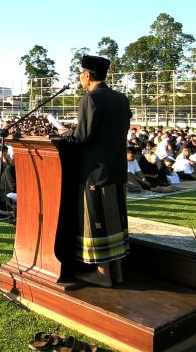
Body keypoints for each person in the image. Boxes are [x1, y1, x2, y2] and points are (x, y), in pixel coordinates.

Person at [54, 55, 131, 288]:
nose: (80, 78)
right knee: (115, 221)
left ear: (87, 75)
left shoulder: (91, 99)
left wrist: (66, 135)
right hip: (116, 170)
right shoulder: (120, 98)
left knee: (98, 221)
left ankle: (102, 274)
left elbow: (83, 136)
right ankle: (116, 273)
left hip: (95, 173)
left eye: (80, 74)